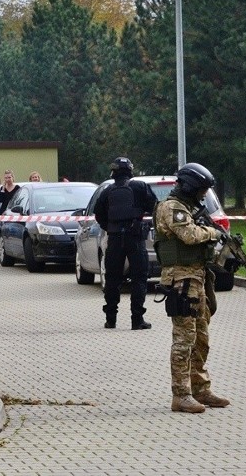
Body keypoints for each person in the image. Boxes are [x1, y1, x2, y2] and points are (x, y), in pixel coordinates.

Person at [153, 162, 229, 414]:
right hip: (181, 280)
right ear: (189, 187)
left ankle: (200, 388)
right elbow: (189, 236)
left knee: (201, 339)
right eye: (200, 190)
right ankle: (181, 394)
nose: (202, 196)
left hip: (197, 277)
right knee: (184, 340)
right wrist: (213, 233)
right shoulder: (172, 208)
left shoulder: (188, 208)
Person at [94, 157, 158, 330]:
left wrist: (110, 227)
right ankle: (137, 319)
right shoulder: (140, 187)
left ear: (113, 172)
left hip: (114, 239)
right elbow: (155, 206)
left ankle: (110, 319)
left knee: (112, 278)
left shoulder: (107, 191)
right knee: (139, 277)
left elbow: (98, 213)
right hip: (135, 237)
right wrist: (144, 221)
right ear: (130, 170)